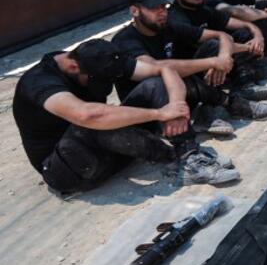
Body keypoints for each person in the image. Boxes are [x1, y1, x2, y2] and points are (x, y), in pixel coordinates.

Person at [14, 35, 239, 195]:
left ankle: (189, 155)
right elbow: (86, 115)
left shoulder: (99, 58)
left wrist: (176, 108)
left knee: (155, 84)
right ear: (72, 67)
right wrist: (159, 113)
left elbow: (164, 69)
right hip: (67, 170)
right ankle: (175, 161)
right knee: (94, 119)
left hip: (105, 152)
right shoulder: (39, 82)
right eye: (95, 81)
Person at [113, 0, 267, 127]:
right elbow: (155, 67)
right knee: (169, 75)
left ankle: (207, 110)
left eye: (162, 6)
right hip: (147, 108)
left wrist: (223, 57)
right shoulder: (124, 40)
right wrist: (213, 62)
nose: (162, 12)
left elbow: (221, 35)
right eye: (153, 8)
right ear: (134, 11)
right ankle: (231, 103)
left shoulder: (168, 27)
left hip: (177, 97)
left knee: (213, 47)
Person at [165, 0, 267, 102]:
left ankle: (245, 77)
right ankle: (242, 86)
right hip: (192, 72)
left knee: (242, 33)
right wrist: (249, 48)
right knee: (215, 45)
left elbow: (242, 24)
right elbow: (216, 44)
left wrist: (257, 36)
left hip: (217, 62)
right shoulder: (176, 19)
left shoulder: (201, 8)